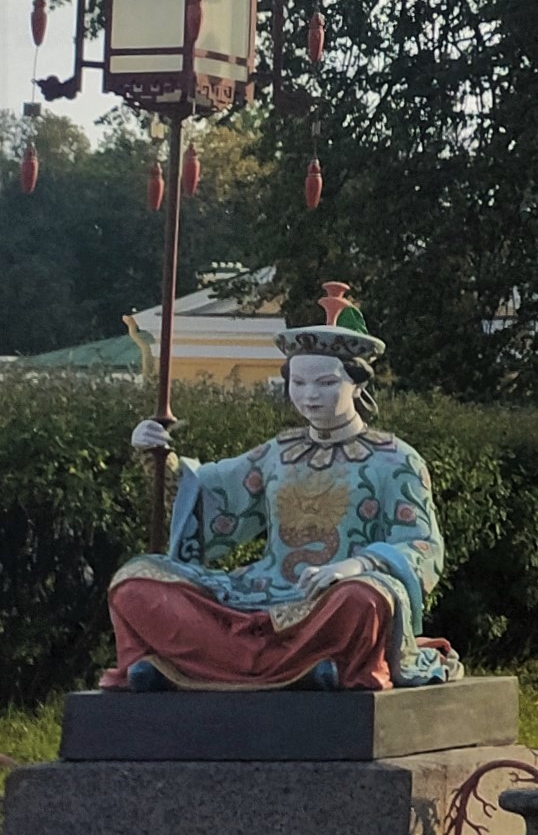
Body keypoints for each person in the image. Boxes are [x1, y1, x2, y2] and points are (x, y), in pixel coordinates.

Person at [102, 284, 452, 692]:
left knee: (365, 601)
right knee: (133, 584)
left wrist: (356, 566)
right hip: (259, 589)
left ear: (358, 385)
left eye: (325, 383)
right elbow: (207, 496)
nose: (309, 396)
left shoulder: (395, 460)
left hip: (333, 599)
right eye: (298, 383)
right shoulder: (277, 453)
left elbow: (422, 546)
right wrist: (158, 453)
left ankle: (218, 662)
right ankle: (298, 664)